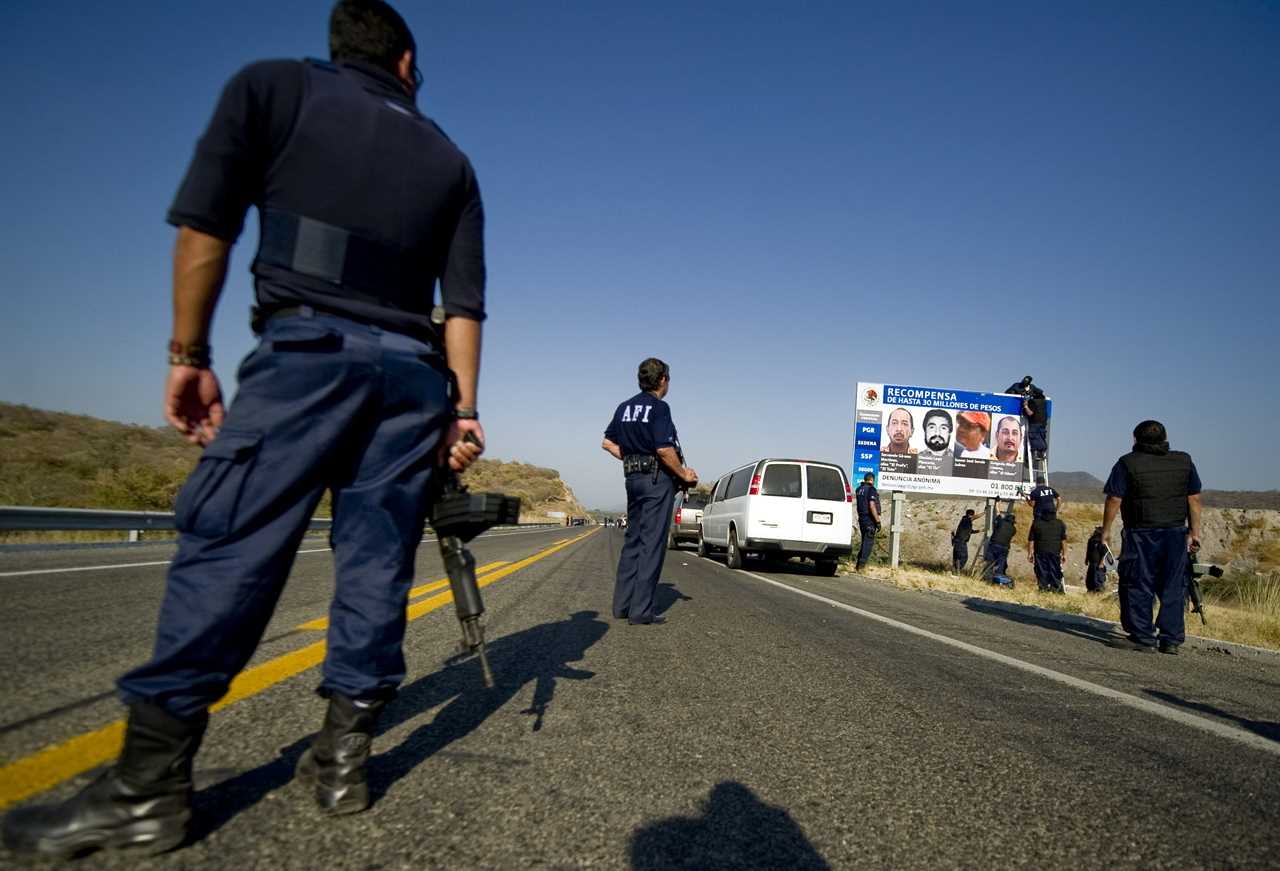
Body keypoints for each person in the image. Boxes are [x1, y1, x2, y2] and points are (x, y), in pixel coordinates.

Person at [2, 1, 489, 858]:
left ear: (346, 47)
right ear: (407, 61)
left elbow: (207, 226)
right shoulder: (451, 158)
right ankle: (342, 762)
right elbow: (465, 306)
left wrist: (189, 349)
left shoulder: (274, 87)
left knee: (231, 546)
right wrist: (466, 408)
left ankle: (150, 787)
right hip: (413, 381)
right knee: (377, 561)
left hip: (309, 355)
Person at [602, 358, 697, 625]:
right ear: (663, 379)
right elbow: (664, 449)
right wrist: (683, 474)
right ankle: (641, 610)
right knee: (652, 543)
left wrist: (633, 457)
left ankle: (622, 605)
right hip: (656, 481)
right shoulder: (659, 408)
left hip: (632, 478)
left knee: (633, 540)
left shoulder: (624, 408)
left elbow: (607, 442)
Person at [1102, 420, 1203, 654]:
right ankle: (1171, 639)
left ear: (1135, 439)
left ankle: (1142, 636)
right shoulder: (1184, 461)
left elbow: (1114, 499)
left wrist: (1105, 530)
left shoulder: (1127, 463)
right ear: (1165, 438)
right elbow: (1194, 498)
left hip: (1141, 533)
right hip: (1176, 532)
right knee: (1173, 585)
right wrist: (1194, 532)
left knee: (1138, 582)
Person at [1006, 375, 1049, 461]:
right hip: (1042, 421)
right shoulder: (1016, 386)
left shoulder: (1034, 400)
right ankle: (1041, 452)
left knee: (1034, 436)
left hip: (1035, 421)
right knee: (1040, 436)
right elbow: (1007, 393)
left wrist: (1026, 405)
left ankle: (1037, 453)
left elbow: (1030, 413)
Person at [1027, 509, 1068, 592]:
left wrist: (1030, 553)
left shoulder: (1036, 523)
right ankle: (1056, 588)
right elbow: (1063, 540)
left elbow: (1031, 540)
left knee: (1041, 571)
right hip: (1055, 552)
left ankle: (1043, 588)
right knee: (1055, 570)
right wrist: (1064, 554)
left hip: (1040, 552)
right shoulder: (1059, 523)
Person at [854, 473, 882, 571]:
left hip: (861, 518)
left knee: (864, 542)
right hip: (869, 519)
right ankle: (861, 566)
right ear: (872, 479)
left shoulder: (858, 490)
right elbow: (871, 505)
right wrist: (877, 521)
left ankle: (858, 564)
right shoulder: (871, 489)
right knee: (868, 543)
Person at [983, 510, 1017, 581]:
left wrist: (998, 503)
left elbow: (998, 513)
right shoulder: (1014, 529)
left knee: (990, 562)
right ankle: (998, 579)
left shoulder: (1001, 522)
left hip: (994, 545)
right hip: (1004, 548)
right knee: (1000, 564)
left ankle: (987, 578)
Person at [1085, 526, 1107, 593]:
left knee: (1098, 577)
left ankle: (1098, 591)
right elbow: (1088, 550)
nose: (1095, 532)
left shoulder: (1102, 542)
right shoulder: (1091, 540)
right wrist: (1086, 559)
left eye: (1096, 531)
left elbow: (1104, 553)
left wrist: (1101, 563)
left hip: (1098, 563)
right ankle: (1090, 589)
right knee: (1090, 577)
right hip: (1091, 562)